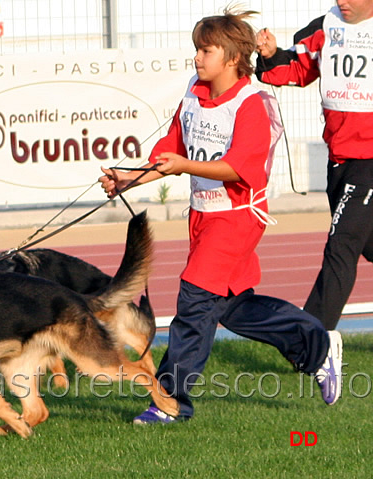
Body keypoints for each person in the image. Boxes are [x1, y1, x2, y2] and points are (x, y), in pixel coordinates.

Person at [98, 8, 342, 424]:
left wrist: (184, 167)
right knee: (233, 308)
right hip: (203, 217)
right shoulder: (194, 91)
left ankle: (169, 402)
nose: (197, 57)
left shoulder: (252, 103)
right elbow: (168, 152)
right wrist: (128, 179)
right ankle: (316, 345)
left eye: (206, 50)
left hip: (236, 219)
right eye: (197, 48)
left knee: (193, 302)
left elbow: (237, 169)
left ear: (232, 57)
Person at [255, 1, 373, 331]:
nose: (342, 2)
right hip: (340, 159)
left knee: (341, 246)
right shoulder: (325, 26)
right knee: (366, 244)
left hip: (371, 161)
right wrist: (270, 53)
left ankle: (308, 340)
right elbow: (295, 68)